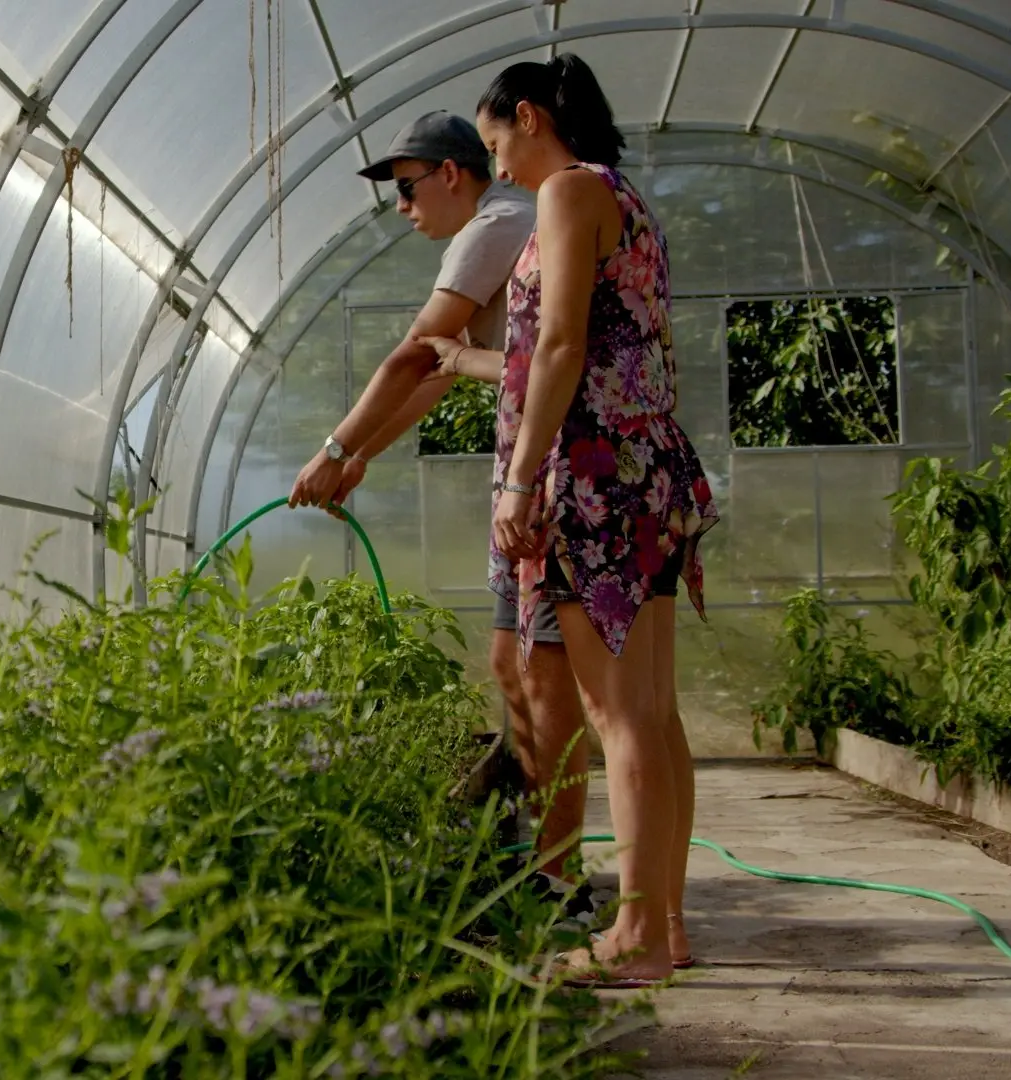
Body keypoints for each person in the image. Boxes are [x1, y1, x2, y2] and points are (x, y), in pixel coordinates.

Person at [427, 54, 719, 988]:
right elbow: (573, 353)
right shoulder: (625, 202)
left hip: (595, 483)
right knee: (654, 715)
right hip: (650, 475)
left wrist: (518, 484)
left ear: (529, 117)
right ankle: (664, 926)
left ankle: (630, 939)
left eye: (496, 143)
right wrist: (468, 363)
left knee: (614, 715)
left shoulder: (565, 194)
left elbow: (560, 345)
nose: (497, 167)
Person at [286, 112, 592, 907]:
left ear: (453, 174)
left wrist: (333, 447)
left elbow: (415, 354)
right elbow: (441, 374)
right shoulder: (504, 228)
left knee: (545, 673)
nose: (402, 207)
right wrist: (360, 456)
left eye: (408, 187)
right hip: (522, 474)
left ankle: (558, 879)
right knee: (508, 663)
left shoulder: (496, 226)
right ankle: (532, 849)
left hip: (552, 476)